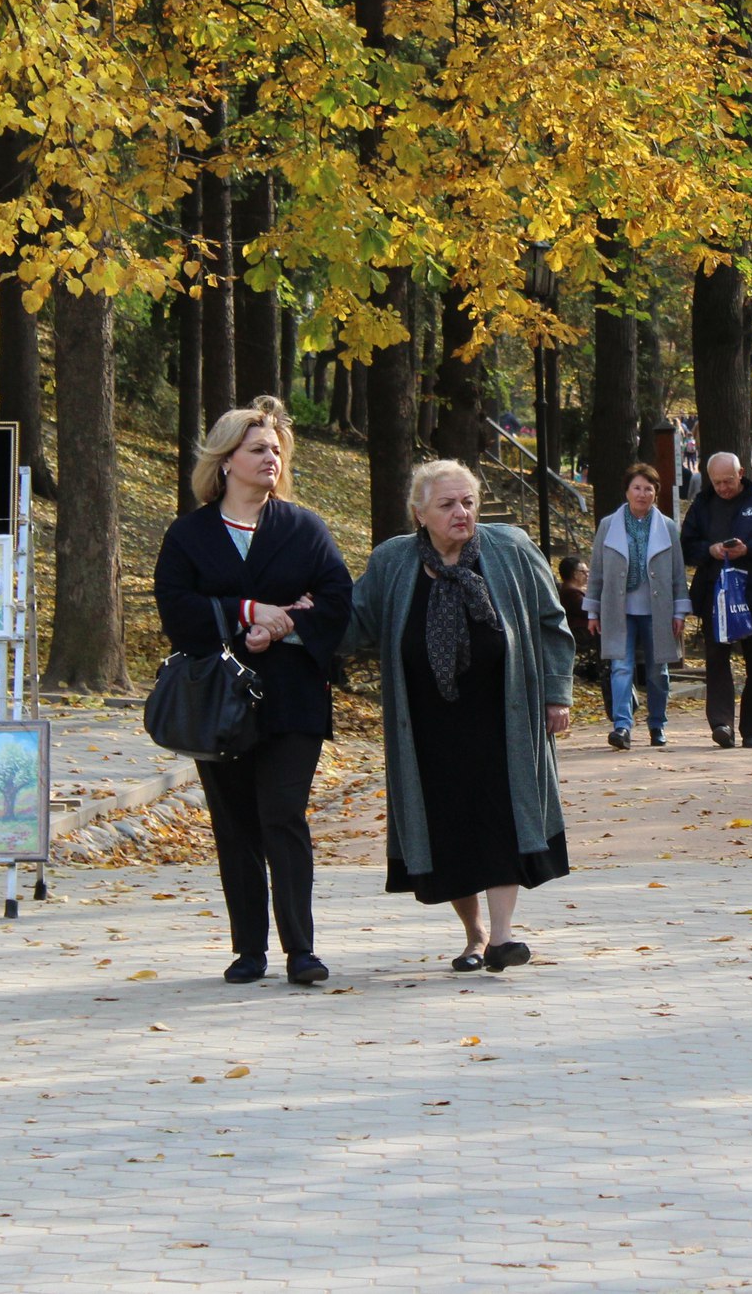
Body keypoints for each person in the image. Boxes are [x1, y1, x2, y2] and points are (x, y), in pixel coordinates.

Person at [153, 397, 355, 986]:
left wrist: (282, 626)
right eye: (257, 448)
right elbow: (177, 610)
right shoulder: (189, 534)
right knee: (236, 825)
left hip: (293, 698)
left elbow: (337, 601)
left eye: (275, 449)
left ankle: (302, 950)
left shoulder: (304, 527)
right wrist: (248, 610)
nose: (271, 458)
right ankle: (249, 951)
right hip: (218, 704)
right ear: (225, 461)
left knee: (282, 814)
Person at [346, 460, 574, 972]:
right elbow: (356, 622)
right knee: (448, 826)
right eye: (447, 504)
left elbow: (551, 623)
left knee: (501, 817)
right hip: (426, 723)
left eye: (468, 501)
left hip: (503, 714)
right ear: (419, 512)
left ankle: (502, 938)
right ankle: (473, 935)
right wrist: (298, 619)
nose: (461, 513)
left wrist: (557, 694)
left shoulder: (510, 549)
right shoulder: (393, 562)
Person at [679, 452, 752, 748]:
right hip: (716, 592)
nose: (723, 488)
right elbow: (687, 546)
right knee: (716, 659)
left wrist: (749, 549)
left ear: (741, 473)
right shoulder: (703, 504)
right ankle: (721, 723)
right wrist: (711, 550)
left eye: (728, 481)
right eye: (717, 483)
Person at [586, 463, 689, 751]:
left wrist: (679, 611)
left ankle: (657, 723)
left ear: (656, 493)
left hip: (658, 610)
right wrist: (593, 611)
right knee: (621, 666)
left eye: (648, 488)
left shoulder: (667, 526)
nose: (642, 494)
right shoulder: (609, 524)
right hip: (618, 609)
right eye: (637, 488)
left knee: (658, 671)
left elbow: (678, 572)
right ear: (627, 491)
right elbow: (597, 571)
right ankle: (622, 726)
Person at [556, 555, 600, 687]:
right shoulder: (571, 593)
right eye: (584, 572)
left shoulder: (572, 591)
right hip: (581, 633)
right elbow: (588, 611)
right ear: (575, 574)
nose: (587, 575)